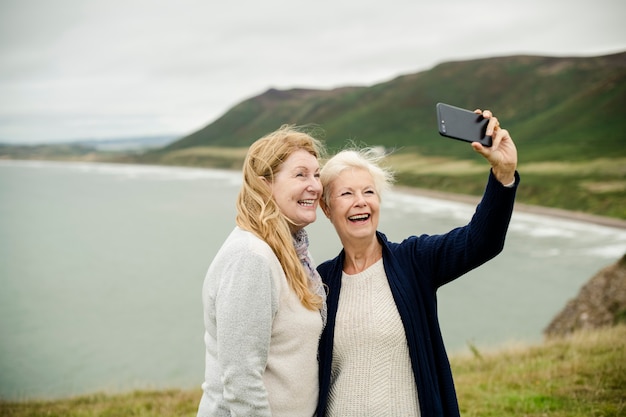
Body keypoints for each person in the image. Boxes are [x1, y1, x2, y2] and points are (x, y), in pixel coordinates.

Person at [316, 110, 519, 416]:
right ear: (327, 208)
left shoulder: (414, 261)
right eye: (346, 193)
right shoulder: (320, 282)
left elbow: (481, 241)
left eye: (369, 192)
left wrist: (502, 175)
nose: (361, 201)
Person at [197, 125, 328, 417]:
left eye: (316, 174)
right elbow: (242, 383)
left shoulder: (290, 251)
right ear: (265, 184)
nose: (315, 186)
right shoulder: (251, 258)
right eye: (300, 174)